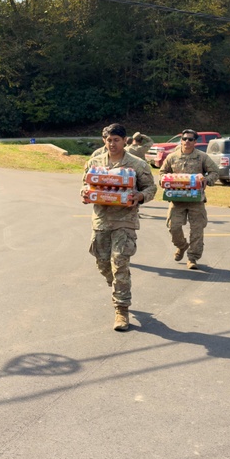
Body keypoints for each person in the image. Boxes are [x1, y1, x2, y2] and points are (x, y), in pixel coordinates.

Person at [82, 123, 157, 331]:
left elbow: (151, 187)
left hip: (125, 221)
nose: (112, 143)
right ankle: (116, 285)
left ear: (125, 141)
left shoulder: (137, 164)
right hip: (101, 221)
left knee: (119, 263)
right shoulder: (94, 162)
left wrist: (140, 196)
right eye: (108, 140)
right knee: (103, 264)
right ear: (103, 140)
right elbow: (85, 185)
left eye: (116, 139)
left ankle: (121, 309)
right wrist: (85, 193)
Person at [158, 129, 219, 270]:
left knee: (197, 230)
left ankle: (193, 258)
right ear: (181, 140)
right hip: (176, 200)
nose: (187, 141)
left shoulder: (202, 157)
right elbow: (162, 172)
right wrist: (163, 180)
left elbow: (215, 172)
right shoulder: (172, 157)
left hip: (196, 201)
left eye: (190, 139)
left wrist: (206, 180)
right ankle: (181, 246)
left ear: (195, 142)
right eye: (184, 139)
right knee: (173, 227)